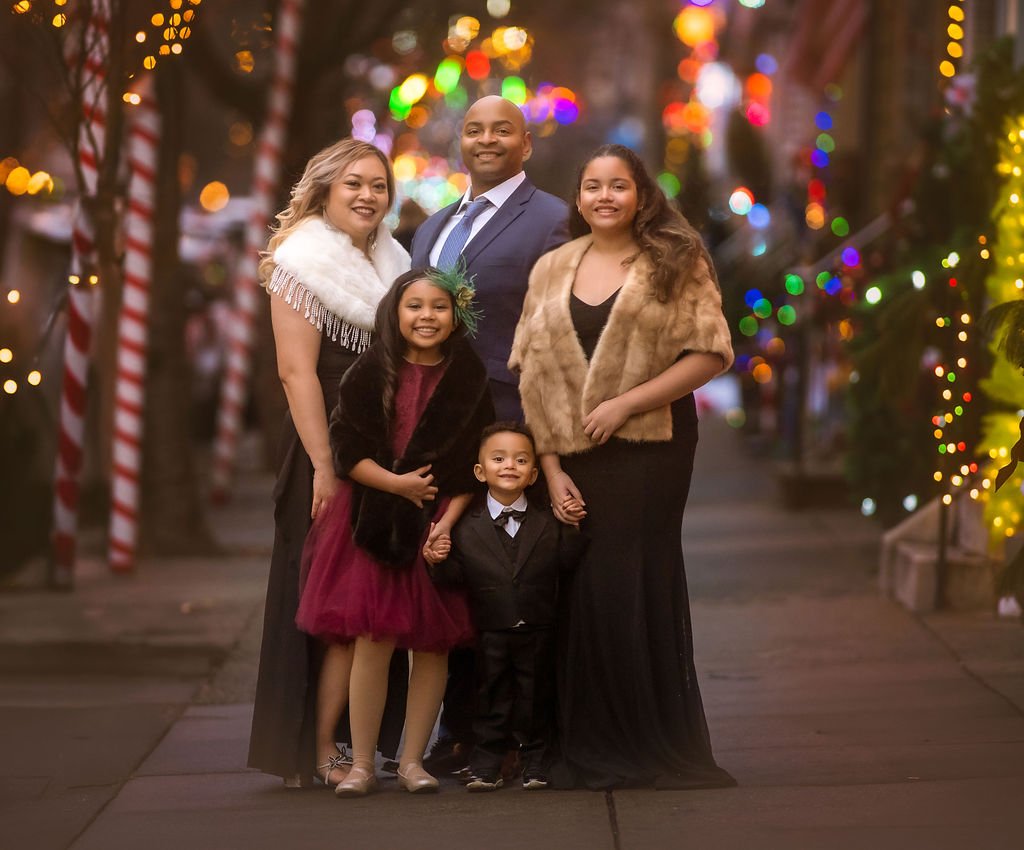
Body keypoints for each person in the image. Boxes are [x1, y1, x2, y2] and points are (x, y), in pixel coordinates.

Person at [509, 143, 737, 790]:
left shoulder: (675, 259)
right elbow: (534, 377)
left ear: (641, 195)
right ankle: (586, 742)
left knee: (629, 578)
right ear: (577, 199)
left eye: (618, 185)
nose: (604, 196)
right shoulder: (552, 267)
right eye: (592, 186)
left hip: (652, 445)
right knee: (579, 589)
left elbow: (710, 352)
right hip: (571, 453)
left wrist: (625, 404)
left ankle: (644, 742)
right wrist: (548, 471)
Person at [411, 93, 569, 775]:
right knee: (453, 578)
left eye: (501, 130)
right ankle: (461, 728)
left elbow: (559, 328)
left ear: (525, 144)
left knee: (515, 591)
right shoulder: (433, 227)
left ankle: (519, 740)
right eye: (473, 130)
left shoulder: (554, 219)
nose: (485, 140)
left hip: (512, 427)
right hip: (438, 428)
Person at [248, 138, 410, 789]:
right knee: (325, 612)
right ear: (323, 190)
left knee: (371, 609)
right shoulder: (303, 260)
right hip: (328, 455)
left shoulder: (391, 261)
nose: (368, 195)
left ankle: (363, 743)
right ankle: (313, 751)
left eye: (378, 185)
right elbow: (295, 372)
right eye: (354, 184)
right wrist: (323, 465)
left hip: (383, 457)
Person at [296, 268, 495, 796]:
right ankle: (361, 762)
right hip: (374, 519)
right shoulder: (370, 370)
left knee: (433, 645)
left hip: (436, 521)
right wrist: (396, 485)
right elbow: (347, 450)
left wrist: (446, 523)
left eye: (438, 307)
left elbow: (472, 464)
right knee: (373, 637)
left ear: (456, 316)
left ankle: (412, 760)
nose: (426, 317)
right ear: (394, 312)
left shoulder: (468, 377)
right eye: (414, 306)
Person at [424, 422, 585, 792]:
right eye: (498, 459)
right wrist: (437, 560)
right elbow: (454, 578)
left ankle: (537, 762)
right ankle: (486, 764)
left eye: (520, 459)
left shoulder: (548, 520)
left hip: (540, 627)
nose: (509, 465)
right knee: (490, 699)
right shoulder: (465, 527)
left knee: (536, 698)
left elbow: (567, 563)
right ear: (480, 472)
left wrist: (574, 526)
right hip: (490, 630)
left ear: (532, 474)